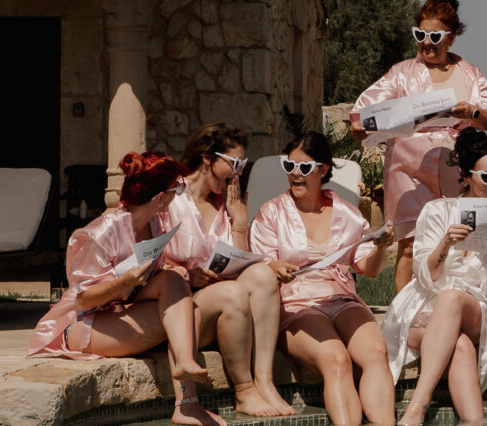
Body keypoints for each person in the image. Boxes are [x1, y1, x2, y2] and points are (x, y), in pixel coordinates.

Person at [28, 152, 222, 426]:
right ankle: (187, 403)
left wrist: (177, 272)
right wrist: (123, 282)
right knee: (186, 315)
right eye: (177, 190)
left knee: (175, 284)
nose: (179, 195)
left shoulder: (154, 224)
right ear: (160, 198)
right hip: (83, 321)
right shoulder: (102, 233)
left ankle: (186, 377)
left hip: (122, 304)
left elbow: (152, 278)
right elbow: (83, 297)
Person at [352, 0, 487, 291]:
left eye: (435, 36)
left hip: (455, 164)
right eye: (420, 34)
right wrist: (363, 127)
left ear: (451, 37)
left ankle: (457, 301)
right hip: (408, 165)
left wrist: (470, 111)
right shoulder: (401, 73)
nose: (426, 42)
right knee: (409, 244)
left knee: (462, 238)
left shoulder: (470, 73)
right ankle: (405, 312)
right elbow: (361, 116)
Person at [250, 133, 398, 426]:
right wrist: (274, 266)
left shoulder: (347, 213)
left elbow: (368, 268)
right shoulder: (271, 212)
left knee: (376, 353)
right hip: (296, 301)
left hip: (340, 295)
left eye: (304, 168)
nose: (295, 174)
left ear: (323, 170)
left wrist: (381, 247)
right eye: (290, 166)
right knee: (336, 359)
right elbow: (258, 263)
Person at [381, 128, 487, 425]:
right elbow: (425, 277)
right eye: (486, 177)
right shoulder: (437, 210)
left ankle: (418, 405)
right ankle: (475, 421)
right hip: (425, 303)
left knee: (452, 297)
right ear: (466, 176)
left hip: (474, 308)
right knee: (460, 345)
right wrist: (445, 243)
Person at [159, 122, 294, 416]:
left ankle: (265, 381)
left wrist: (240, 221)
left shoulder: (227, 204)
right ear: (207, 158)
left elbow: (241, 262)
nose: (238, 173)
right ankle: (244, 391)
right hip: (180, 306)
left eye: (242, 165)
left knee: (262, 275)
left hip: (220, 302)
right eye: (234, 163)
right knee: (232, 293)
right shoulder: (169, 197)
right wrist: (183, 272)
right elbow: (148, 254)